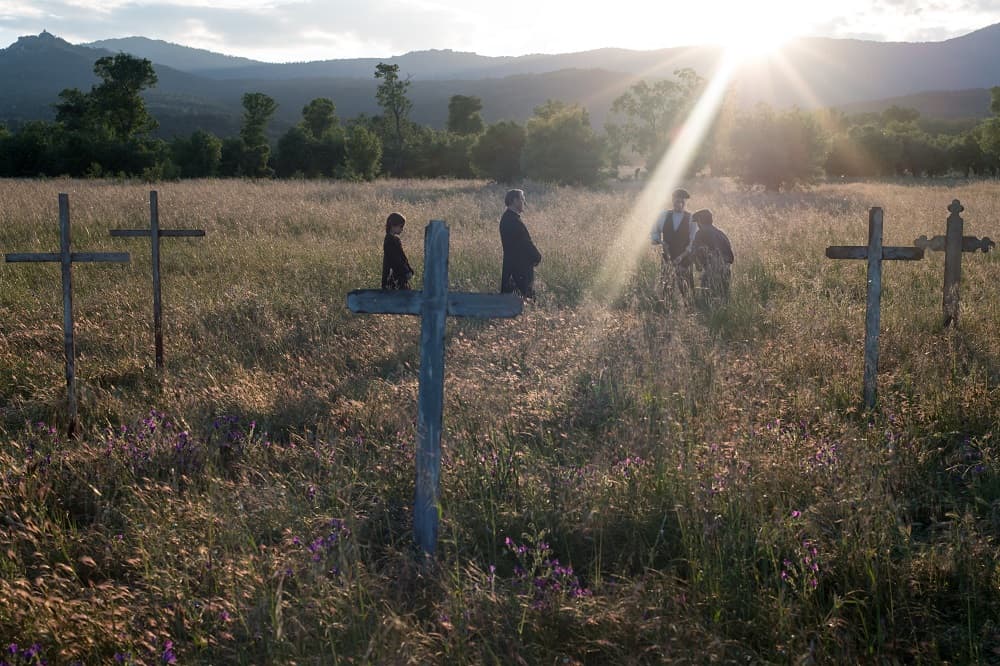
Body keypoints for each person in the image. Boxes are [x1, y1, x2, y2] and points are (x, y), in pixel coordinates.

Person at [650, 188, 697, 293]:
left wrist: (682, 256)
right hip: (667, 257)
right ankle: (666, 308)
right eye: (677, 201)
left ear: (686, 202)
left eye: (682, 202)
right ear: (672, 200)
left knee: (687, 288)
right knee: (666, 287)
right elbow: (654, 232)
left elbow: (693, 241)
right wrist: (660, 241)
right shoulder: (663, 215)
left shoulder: (691, 218)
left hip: (685, 259)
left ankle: (690, 307)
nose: (679, 204)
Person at [499, 189, 542, 298]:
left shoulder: (509, 218)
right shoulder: (512, 221)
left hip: (514, 268)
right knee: (522, 303)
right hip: (518, 270)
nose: (524, 203)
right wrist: (537, 256)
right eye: (522, 199)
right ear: (514, 200)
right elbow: (525, 243)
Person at [691, 208, 734, 300]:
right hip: (726, 270)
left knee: (707, 301)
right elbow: (731, 257)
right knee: (723, 298)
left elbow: (695, 252)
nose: (697, 225)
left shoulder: (700, 233)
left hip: (711, 271)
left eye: (697, 222)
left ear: (700, 222)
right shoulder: (721, 233)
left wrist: (699, 268)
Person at [381, 212, 414, 289]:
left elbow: (403, 258)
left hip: (398, 277)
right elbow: (395, 260)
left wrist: (409, 270)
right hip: (394, 279)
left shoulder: (395, 240)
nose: (402, 229)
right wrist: (405, 271)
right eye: (401, 226)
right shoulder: (389, 241)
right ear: (393, 226)